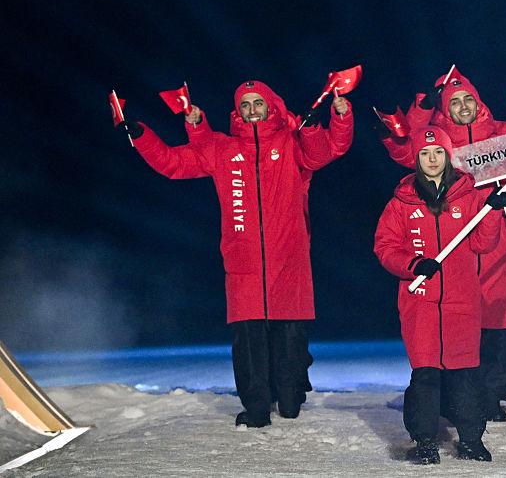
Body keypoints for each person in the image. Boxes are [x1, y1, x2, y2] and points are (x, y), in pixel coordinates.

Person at [118, 80, 353, 428]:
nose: (252, 110)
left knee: (290, 342)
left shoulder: (290, 142)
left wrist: (335, 119)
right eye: (245, 104)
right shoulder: (224, 150)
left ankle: (290, 396)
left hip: (288, 260)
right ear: (237, 112)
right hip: (244, 263)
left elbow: (325, 151)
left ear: (271, 106)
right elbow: (171, 163)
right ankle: (256, 408)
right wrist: (141, 135)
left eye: (258, 103)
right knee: (249, 341)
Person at [379, 70, 506, 422]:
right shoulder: (438, 147)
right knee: (452, 333)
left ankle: (490, 398)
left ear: (479, 103)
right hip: (453, 256)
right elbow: (405, 147)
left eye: (469, 99)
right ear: (444, 108)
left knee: (493, 331)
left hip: (496, 255)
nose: (463, 106)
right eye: (454, 102)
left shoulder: (501, 141)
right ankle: (452, 402)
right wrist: (421, 108)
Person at [373, 127, 506, 464]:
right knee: (426, 373)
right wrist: (413, 264)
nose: (432, 159)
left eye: (438, 153)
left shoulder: (468, 196)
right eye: (424, 153)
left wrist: (492, 212)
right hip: (420, 303)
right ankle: (425, 441)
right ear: (416, 159)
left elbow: (483, 243)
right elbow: (385, 247)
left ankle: (471, 440)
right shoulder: (401, 202)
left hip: (462, 300)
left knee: (465, 374)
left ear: (448, 157)